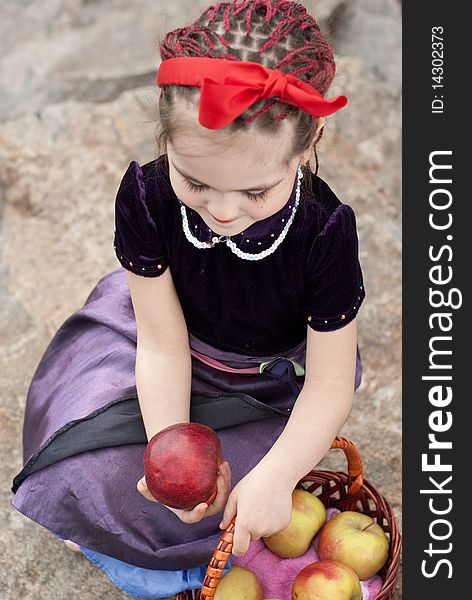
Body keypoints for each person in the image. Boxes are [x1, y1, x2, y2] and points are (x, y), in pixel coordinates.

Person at [10, 1, 366, 598]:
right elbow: (161, 343)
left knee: (246, 500)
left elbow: (329, 384)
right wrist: (170, 455)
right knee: (81, 460)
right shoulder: (148, 197)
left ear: (309, 144)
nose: (224, 213)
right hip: (156, 349)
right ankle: (123, 530)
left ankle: (137, 544)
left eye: (256, 191)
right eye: (196, 182)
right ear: (167, 140)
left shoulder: (325, 232)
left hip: (264, 381)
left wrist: (277, 477)